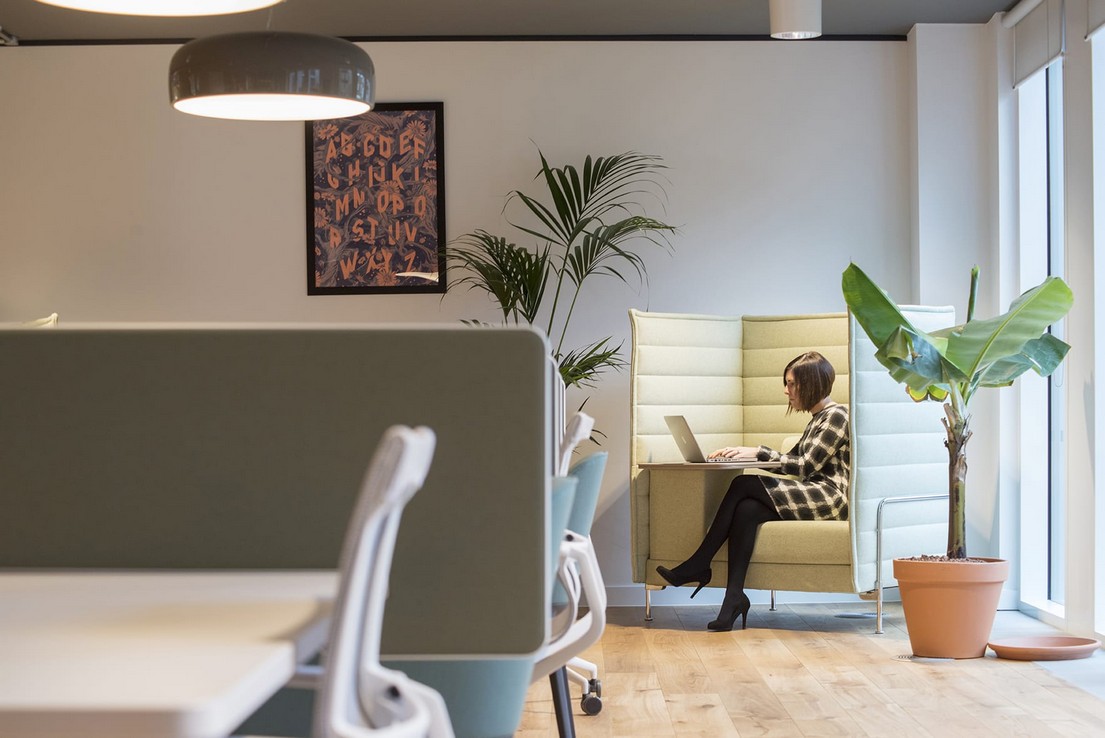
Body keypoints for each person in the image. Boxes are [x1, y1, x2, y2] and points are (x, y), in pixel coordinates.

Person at [655, 351, 850, 631]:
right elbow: (790, 462)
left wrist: (758, 453)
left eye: (791, 384)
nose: (786, 391)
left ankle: (699, 562)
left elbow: (805, 466)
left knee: (743, 484)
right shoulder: (818, 418)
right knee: (747, 509)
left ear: (811, 383)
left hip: (829, 497)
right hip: (812, 492)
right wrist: (743, 454)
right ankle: (733, 599)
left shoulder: (837, 416)